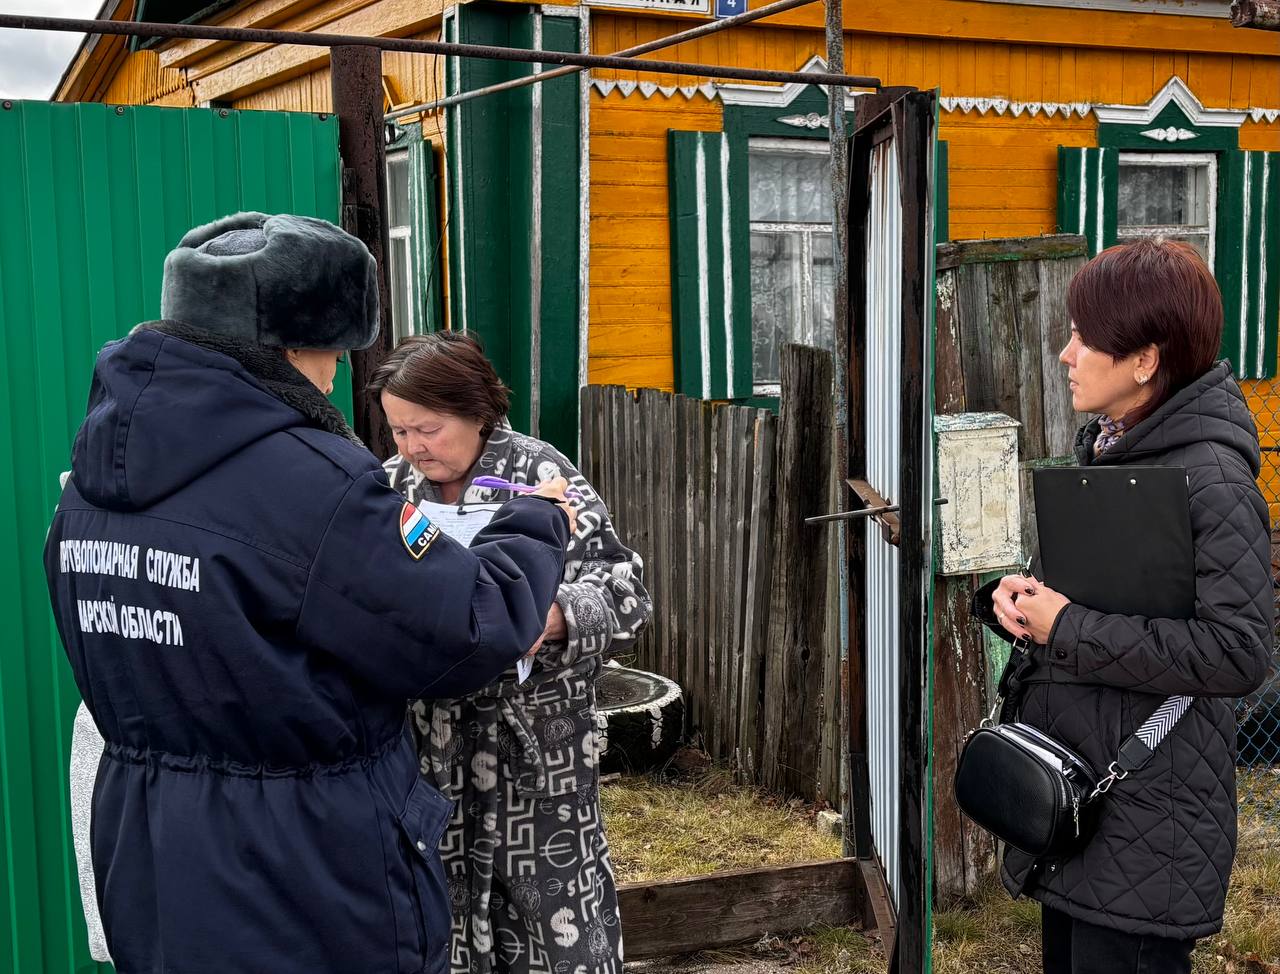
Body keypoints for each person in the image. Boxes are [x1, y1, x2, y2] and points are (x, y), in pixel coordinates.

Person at [45, 212, 577, 974]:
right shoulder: (312, 485)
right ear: (290, 348)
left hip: (149, 850)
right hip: (304, 874)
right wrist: (532, 522)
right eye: (333, 354)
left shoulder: (91, 485)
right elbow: (468, 626)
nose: (336, 376)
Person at [974, 239, 1273, 974]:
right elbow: (1098, 605)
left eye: (1086, 338)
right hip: (1080, 802)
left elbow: (1238, 653)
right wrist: (1013, 601)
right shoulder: (1116, 455)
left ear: (1145, 360)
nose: (1066, 353)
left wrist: (1068, 626)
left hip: (1149, 818)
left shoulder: (1213, 482)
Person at [369, 332, 652, 974]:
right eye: (399, 431)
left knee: (552, 925)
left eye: (429, 429)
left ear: (477, 412)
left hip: (533, 755)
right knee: (436, 918)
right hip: (425, 753)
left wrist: (551, 619)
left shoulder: (540, 476)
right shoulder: (387, 487)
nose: (413, 448)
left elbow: (626, 591)